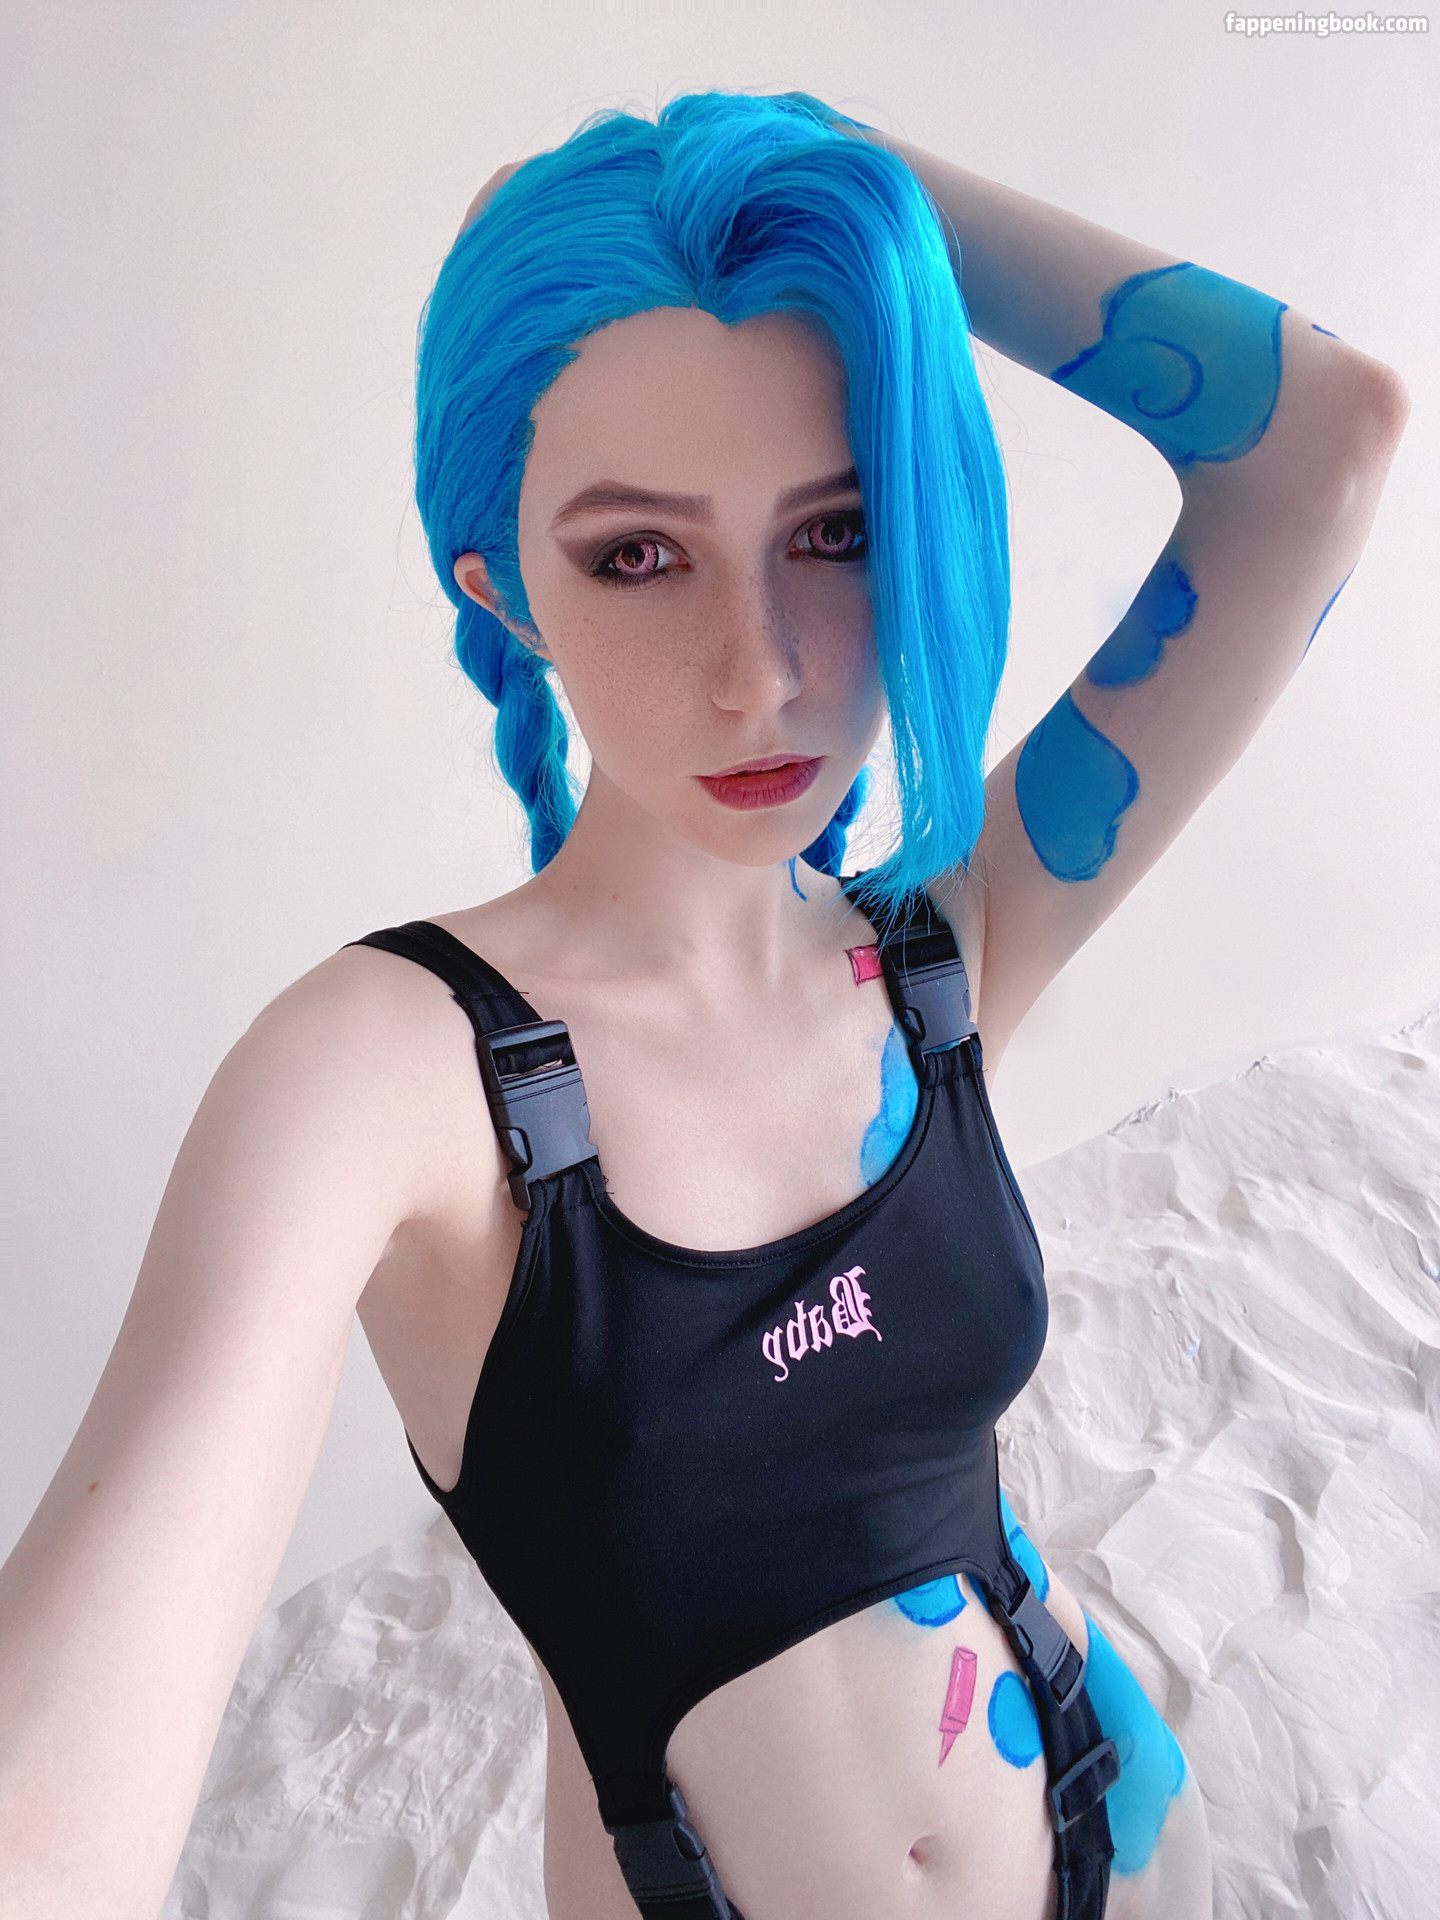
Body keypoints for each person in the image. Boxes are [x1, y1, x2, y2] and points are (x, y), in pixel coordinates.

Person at [0, 90, 1407, 1920]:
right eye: (639, 554)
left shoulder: (946, 958)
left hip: (1114, 1827)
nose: (762, 675)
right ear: (502, 586)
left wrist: (844, 177)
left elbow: (1324, 441)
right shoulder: (379, 1078)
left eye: (839, 531)